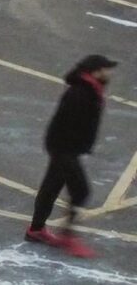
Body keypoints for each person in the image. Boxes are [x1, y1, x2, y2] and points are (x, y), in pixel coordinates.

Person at [27, 54, 115, 258]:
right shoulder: (80, 93)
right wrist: (66, 153)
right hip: (64, 148)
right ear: (96, 71)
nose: (109, 73)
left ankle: (36, 230)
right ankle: (68, 237)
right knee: (81, 191)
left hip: (67, 148)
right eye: (106, 69)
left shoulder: (90, 89)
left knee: (51, 187)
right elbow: (65, 124)